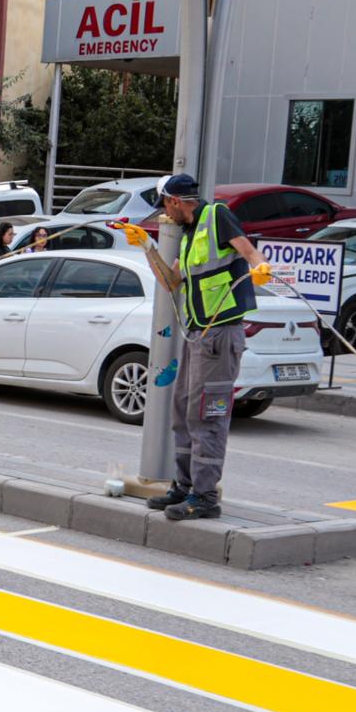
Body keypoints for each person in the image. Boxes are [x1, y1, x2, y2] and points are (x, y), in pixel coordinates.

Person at [115, 173, 271, 521]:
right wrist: (146, 247)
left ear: (174, 200)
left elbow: (247, 250)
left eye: (165, 208)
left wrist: (260, 267)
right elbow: (171, 282)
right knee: (183, 411)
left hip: (221, 336)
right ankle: (183, 487)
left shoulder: (216, 216)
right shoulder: (189, 237)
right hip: (199, 337)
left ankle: (204, 497)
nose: (166, 215)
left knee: (207, 417)